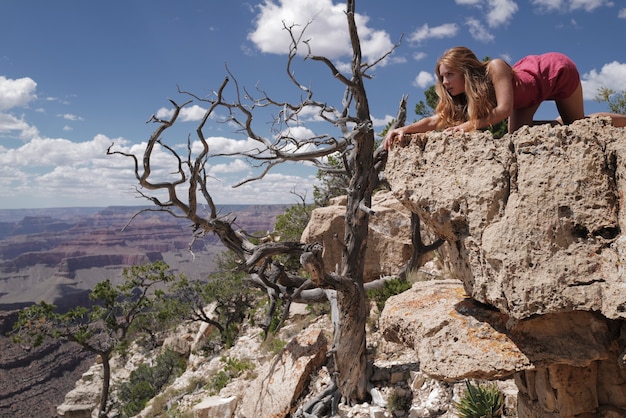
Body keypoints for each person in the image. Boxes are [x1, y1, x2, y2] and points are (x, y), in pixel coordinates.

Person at [384, 46, 626, 149]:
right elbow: (437, 119)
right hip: (528, 98)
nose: (445, 82)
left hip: (554, 72)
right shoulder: (463, 95)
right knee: (517, 138)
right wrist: (406, 129)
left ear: (465, 70)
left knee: (580, 124)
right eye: (441, 77)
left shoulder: (495, 68)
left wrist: (470, 125)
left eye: (449, 75)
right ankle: (559, 126)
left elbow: (504, 110)